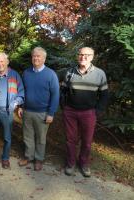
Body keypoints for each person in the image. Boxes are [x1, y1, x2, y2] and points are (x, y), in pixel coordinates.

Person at [60, 47, 108, 177]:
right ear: (78, 56)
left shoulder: (100, 73)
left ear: (92, 57)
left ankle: (84, 163)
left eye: (87, 55)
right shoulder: (70, 72)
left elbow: (104, 95)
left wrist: (97, 111)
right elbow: (63, 90)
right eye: (81, 54)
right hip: (70, 112)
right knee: (71, 140)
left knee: (87, 141)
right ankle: (70, 163)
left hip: (89, 113)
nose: (83, 57)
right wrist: (63, 106)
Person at [18, 47, 59, 171]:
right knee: (27, 136)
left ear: (44, 58)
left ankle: (39, 159)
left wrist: (51, 113)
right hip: (27, 111)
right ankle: (28, 156)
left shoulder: (51, 74)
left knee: (41, 138)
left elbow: (56, 95)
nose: (36, 58)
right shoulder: (26, 73)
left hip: (43, 112)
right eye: (34, 56)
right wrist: (21, 106)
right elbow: (22, 91)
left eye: (38, 56)